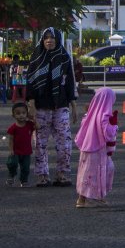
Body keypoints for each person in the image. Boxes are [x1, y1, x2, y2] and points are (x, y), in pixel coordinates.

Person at [26, 27, 79, 188]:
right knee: (40, 143)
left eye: (52, 38)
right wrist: (31, 104)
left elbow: (70, 82)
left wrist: (74, 105)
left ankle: (63, 174)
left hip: (60, 106)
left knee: (64, 142)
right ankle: (42, 175)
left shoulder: (64, 57)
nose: (49, 40)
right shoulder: (36, 58)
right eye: (46, 38)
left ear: (58, 39)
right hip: (41, 107)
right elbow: (30, 83)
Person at [74, 86, 118, 208]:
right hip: (98, 149)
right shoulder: (104, 116)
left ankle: (82, 199)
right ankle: (98, 196)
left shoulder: (89, 115)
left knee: (85, 172)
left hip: (86, 148)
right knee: (100, 172)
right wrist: (114, 126)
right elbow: (108, 134)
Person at [5, 101, 36, 187]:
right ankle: (11, 175)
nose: (21, 115)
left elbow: (38, 127)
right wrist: (11, 150)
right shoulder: (13, 128)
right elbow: (10, 140)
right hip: (15, 151)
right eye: (18, 113)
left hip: (26, 151)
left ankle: (24, 180)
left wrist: (33, 119)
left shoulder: (29, 125)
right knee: (12, 164)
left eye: (23, 113)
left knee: (26, 167)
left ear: (27, 114)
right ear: (13, 115)